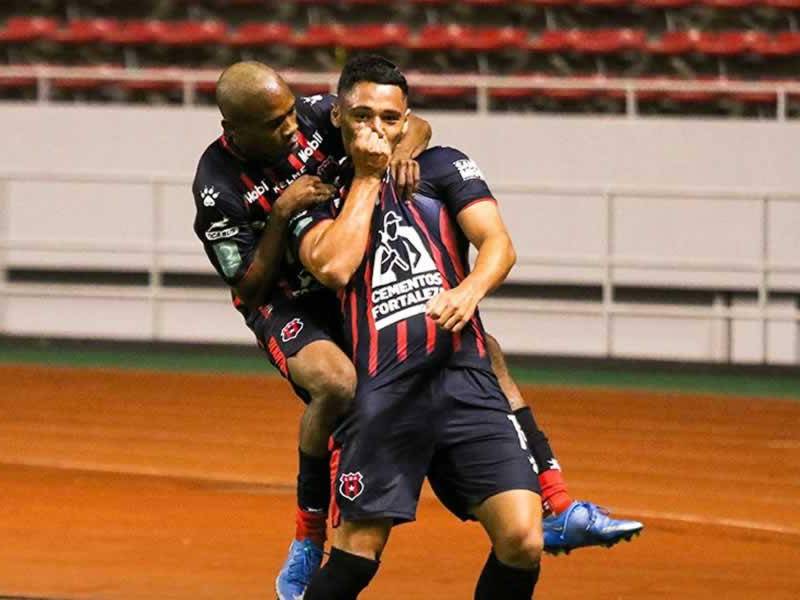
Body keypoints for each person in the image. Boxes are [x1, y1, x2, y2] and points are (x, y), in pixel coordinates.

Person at [193, 60, 641, 599]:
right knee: (336, 383)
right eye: (274, 123)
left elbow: (413, 125)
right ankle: (308, 534)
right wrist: (287, 209)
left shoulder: (320, 114)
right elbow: (250, 281)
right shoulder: (217, 184)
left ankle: (557, 500)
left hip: (350, 284)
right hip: (282, 295)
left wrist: (402, 154)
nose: (291, 128)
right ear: (233, 129)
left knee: (485, 348)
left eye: (291, 113)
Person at [293, 54, 544, 599]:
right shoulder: (318, 190)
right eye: (361, 116)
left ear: (405, 122)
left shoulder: (442, 166)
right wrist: (366, 174)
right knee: (358, 553)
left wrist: (468, 291)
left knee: (523, 538)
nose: (376, 128)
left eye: (388, 118)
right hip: (383, 391)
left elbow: (498, 243)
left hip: (466, 380)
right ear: (337, 116)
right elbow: (333, 266)